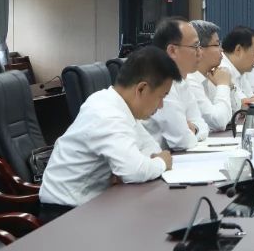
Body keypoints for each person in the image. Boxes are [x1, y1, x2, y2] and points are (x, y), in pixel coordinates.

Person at [37, 47, 178, 218]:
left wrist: (144, 164)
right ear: (141, 89)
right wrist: (161, 163)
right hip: (63, 213)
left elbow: (151, 150)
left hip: (93, 202)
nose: (161, 105)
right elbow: (135, 170)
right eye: (162, 96)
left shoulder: (120, 106)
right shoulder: (107, 114)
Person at [142, 17, 210, 151]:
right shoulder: (159, 81)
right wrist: (192, 130)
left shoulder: (182, 81)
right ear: (172, 50)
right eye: (195, 46)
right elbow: (182, 141)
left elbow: (202, 125)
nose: (200, 52)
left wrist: (194, 129)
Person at [186, 20, 235, 131]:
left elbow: (236, 111)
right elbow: (219, 122)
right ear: (200, 49)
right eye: (217, 44)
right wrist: (223, 85)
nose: (221, 50)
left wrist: (230, 86)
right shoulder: (190, 80)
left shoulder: (213, 75)